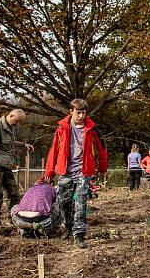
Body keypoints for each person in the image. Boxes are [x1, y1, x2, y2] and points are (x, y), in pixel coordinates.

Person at [44, 98, 108, 249]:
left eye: (83, 113)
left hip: (83, 171)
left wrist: (102, 168)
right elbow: (54, 150)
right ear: (71, 111)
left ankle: (79, 235)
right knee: (63, 202)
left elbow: (102, 147)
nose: (81, 116)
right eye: (78, 113)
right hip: (65, 171)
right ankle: (68, 226)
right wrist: (49, 171)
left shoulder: (92, 129)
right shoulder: (62, 128)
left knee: (80, 203)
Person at [0, 108, 34, 225]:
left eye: (18, 123)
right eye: (16, 121)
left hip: (6, 166)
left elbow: (10, 142)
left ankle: (14, 219)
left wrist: (23, 145)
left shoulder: (10, 128)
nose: (16, 124)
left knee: (14, 194)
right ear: (10, 116)